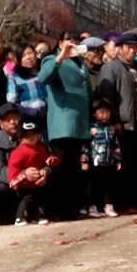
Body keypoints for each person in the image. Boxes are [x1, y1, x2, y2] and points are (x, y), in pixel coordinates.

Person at [99, 32, 137, 211]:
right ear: (119, 49)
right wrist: (115, 119)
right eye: (128, 47)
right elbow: (107, 97)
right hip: (124, 125)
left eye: (135, 47)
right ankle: (125, 203)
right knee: (125, 167)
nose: (132, 50)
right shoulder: (111, 68)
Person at [38, 31, 93, 219]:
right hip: (63, 121)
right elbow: (43, 77)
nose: (73, 44)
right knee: (59, 167)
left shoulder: (81, 63)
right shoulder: (52, 59)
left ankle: (70, 207)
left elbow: (87, 90)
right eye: (69, 41)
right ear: (60, 43)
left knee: (73, 169)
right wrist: (61, 57)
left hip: (80, 122)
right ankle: (54, 208)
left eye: (76, 41)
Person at [7, 121, 59, 225]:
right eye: (27, 135)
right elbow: (12, 166)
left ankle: (39, 215)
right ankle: (20, 217)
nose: (32, 137)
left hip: (37, 181)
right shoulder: (18, 152)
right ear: (21, 138)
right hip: (24, 182)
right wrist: (15, 180)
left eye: (34, 134)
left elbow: (45, 157)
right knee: (27, 198)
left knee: (40, 198)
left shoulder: (41, 148)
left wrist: (51, 160)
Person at [80, 98, 121, 218]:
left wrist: (118, 159)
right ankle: (91, 207)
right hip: (94, 163)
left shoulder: (111, 129)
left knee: (108, 185)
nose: (105, 115)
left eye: (107, 112)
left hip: (108, 162)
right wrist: (84, 160)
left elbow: (116, 145)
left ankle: (108, 206)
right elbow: (85, 146)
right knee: (92, 185)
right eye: (101, 112)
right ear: (94, 113)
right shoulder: (91, 129)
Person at [6, 44, 48, 133]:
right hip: (30, 121)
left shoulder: (45, 71)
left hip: (51, 117)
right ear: (18, 59)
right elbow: (12, 103)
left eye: (30, 53)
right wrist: (34, 112)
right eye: (23, 55)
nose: (28, 57)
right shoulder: (14, 77)